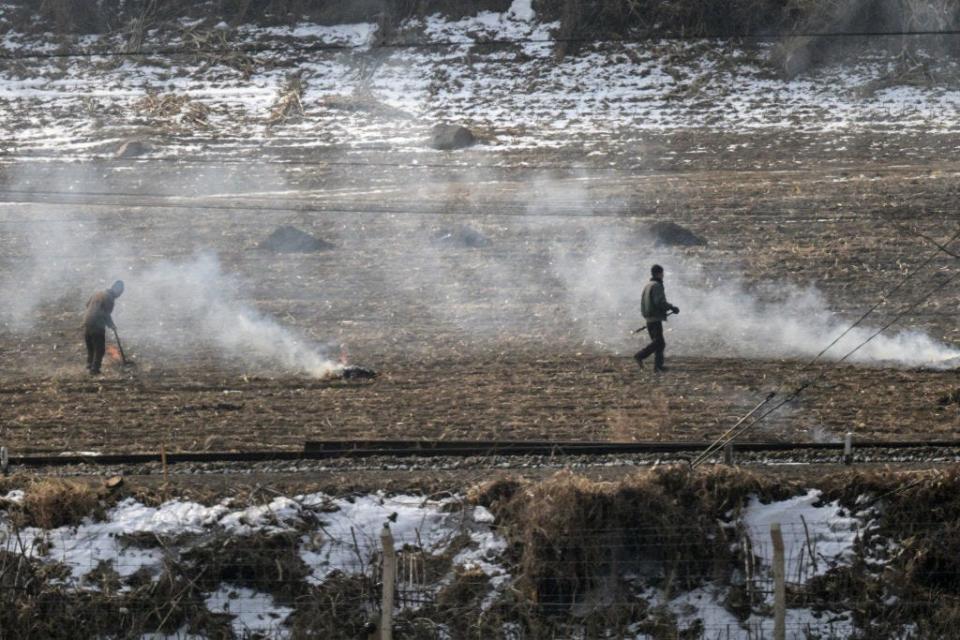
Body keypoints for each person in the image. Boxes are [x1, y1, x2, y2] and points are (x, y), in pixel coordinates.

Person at [634, 265, 678, 372]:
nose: (663, 275)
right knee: (659, 343)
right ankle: (640, 356)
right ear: (659, 273)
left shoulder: (648, 285)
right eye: (662, 273)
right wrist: (672, 307)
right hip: (654, 319)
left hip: (649, 318)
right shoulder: (657, 286)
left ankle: (658, 367)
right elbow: (660, 302)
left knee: (659, 343)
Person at [83, 280, 124, 375]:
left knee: (91, 347)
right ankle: (95, 370)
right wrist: (111, 325)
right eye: (120, 292)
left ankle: (89, 365)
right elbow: (105, 314)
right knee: (99, 348)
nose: (119, 295)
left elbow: (87, 304)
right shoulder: (109, 298)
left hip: (87, 321)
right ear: (116, 290)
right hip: (97, 324)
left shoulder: (98, 293)